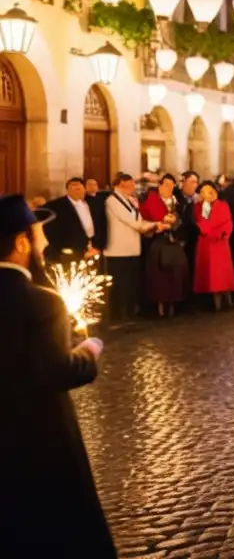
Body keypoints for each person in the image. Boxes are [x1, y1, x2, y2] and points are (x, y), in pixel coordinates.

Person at [0, 195, 115, 557]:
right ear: (21, 243)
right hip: (39, 441)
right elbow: (58, 370)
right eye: (38, 234)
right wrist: (89, 351)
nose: (45, 243)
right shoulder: (44, 302)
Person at [105, 172, 168, 322]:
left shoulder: (130, 201)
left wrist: (156, 225)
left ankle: (129, 311)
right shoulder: (112, 201)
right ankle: (118, 315)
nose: (134, 187)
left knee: (131, 282)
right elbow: (133, 223)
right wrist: (154, 225)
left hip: (132, 247)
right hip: (118, 250)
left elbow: (139, 220)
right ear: (121, 185)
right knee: (120, 284)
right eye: (131, 184)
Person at [139, 174, 188, 318]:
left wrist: (175, 222)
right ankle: (159, 307)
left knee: (175, 275)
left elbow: (182, 221)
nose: (169, 188)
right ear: (160, 185)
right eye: (166, 185)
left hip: (173, 243)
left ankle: (173, 304)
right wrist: (161, 224)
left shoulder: (176, 202)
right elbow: (145, 217)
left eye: (171, 185)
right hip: (157, 242)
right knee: (158, 276)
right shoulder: (150, 199)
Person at [194, 180, 234, 311]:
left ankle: (228, 301)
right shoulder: (200, 207)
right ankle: (215, 304)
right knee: (211, 276)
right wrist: (206, 208)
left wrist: (221, 233)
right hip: (207, 245)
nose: (209, 194)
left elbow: (227, 222)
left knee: (224, 275)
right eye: (205, 192)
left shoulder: (222, 205)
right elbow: (203, 224)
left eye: (210, 191)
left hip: (220, 244)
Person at [43, 177, 103, 264]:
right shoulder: (56, 206)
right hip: (69, 251)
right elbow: (51, 229)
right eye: (73, 187)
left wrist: (98, 246)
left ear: (84, 189)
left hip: (93, 249)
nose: (77, 189)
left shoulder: (94, 203)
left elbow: (101, 224)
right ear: (67, 190)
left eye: (79, 187)